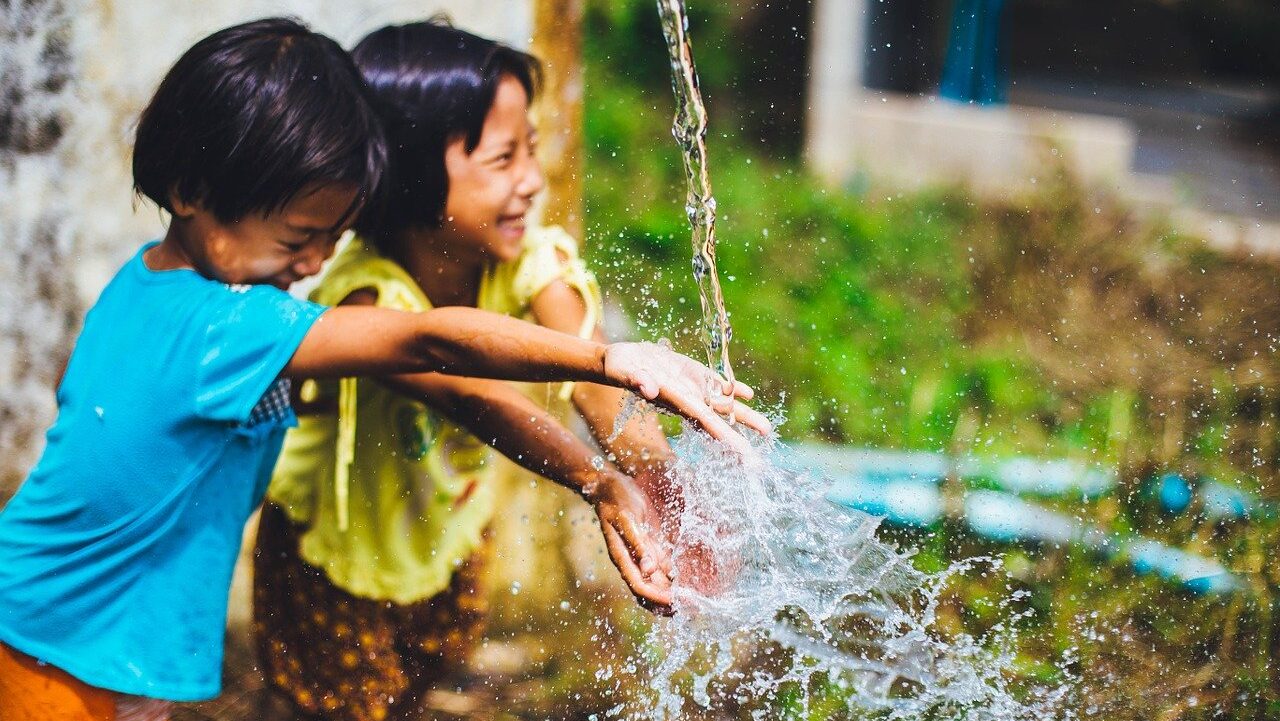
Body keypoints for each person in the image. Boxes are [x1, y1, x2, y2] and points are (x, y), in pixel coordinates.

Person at [0, 18, 762, 721]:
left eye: (329, 237)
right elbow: (430, 344)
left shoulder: (147, 288)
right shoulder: (224, 325)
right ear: (192, 191)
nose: (312, 263)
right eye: (299, 236)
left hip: (75, 631)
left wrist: (636, 472)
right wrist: (606, 359)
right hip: (57, 645)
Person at [251, 20, 734, 720]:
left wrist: (662, 482)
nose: (533, 181)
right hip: (332, 554)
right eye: (504, 158)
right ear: (414, 172)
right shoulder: (366, 296)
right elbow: (472, 394)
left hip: (450, 529)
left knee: (418, 683)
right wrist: (595, 480)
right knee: (332, 709)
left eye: (532, 150)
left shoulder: (530, 262)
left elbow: (600, 385)